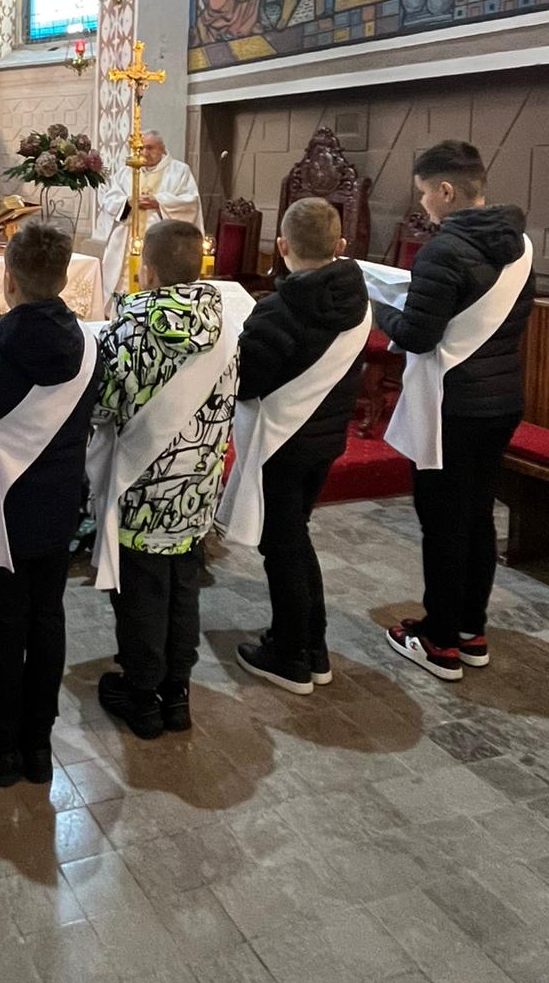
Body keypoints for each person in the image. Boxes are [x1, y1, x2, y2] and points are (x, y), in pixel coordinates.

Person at [0, 221, 102, 787]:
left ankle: (0, 742)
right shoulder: (90, 349)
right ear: (64, 279)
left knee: (4, 626)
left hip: (0, 509)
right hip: (58, 507)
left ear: (8, 280)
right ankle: (38, 744)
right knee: (48, 617)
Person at [376, 141, 534, 682]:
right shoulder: (520, 245)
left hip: (453, 406)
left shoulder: (442, 252)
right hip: (501, 401)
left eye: (424, 193)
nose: (422, 205)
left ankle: (439, 641)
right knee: (477, 516)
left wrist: (382, 310)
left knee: (443, 522)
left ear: (445, 190)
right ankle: (471, 630)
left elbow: (418, 336)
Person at [90, 219, 251, 738]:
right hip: (197, 491)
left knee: (140, 599)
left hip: (142, 493)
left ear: (148, 272)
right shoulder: (228, 328)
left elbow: (103, 408)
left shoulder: (128, 331)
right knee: (184, 591)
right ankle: (176, 694)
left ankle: (142, 699)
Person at [225, 199, 371, 695]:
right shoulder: (358, 300)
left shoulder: (279, 310)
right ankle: (313, 647)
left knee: (282, 547)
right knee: (295, 538)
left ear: (282, 246)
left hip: (282, 442)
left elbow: (246, 383)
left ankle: (289, 656)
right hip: (326, 439)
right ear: (341, 245)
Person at [97, 130, 203, 299]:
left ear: (162, 148)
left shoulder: (179, 171)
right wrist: (128, 202)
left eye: (150, 148)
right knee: (124, 286)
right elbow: (109, 200)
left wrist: (159, 202)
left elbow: (190, 203)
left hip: (162, 242)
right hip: (127, 240)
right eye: (140, 149)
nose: (145, 153)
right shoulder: (127, 171)